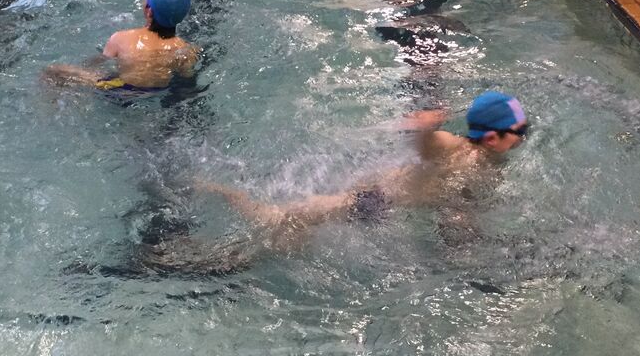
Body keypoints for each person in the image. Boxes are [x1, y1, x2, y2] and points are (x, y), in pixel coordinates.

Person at [195, 92, 529, 250]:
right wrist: (424, 129)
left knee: (291, 230)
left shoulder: (486, 163)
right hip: (373, 200)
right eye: (520, 131)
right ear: (492, 137)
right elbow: (428, 146)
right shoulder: (454, 146)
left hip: (381, 201)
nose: (524, 138)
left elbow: (459, 205)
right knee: (277, 222)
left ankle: (234, 216)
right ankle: (218, 198)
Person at [43, 0, 199, 91]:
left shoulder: (121, 39)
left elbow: (99, 63)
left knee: (53, 72)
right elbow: (185, 77)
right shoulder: (186, 49)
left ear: (149, 11)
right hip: (156, 92)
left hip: (119, 90)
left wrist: (85, 66)